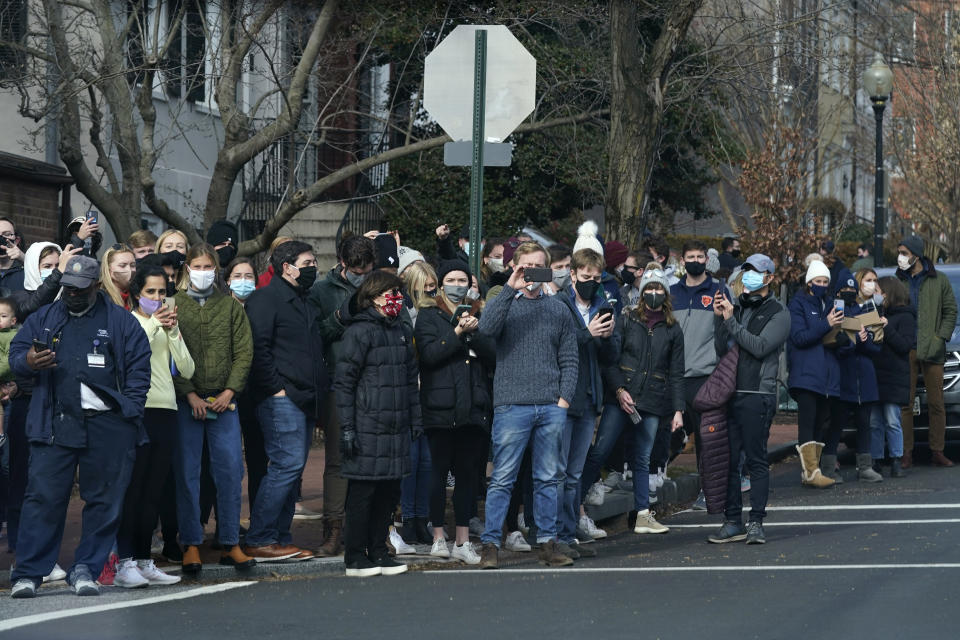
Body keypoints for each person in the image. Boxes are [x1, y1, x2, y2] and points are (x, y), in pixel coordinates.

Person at [8, 255, 151, 598]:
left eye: (80, 289)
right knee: (43, 498)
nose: (72, 294)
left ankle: (86, 568)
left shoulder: (121, 321)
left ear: (97, 287)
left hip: (107, 425)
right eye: (67, 288)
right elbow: (16, 353)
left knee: (104, 500)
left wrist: (127, 414)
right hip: (54, 422)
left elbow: (139, 372)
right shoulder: (44, 317)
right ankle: (29, 573)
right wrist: (27, 362)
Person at [476, 241, 578, 570]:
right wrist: (509, 286)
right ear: (516, 266)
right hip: (511, 405)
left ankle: (548, 544)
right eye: (526, 266)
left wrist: (562, 401)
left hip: (550, 406)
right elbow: (487, 329)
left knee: (548, 479)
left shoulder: (559, 308)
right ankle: (490, 544)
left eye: (538, 266)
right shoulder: (506, 302)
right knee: (503, 478)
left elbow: (569, 358)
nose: (531, 272)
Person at [172, 244, 256, 572]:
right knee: (188, 474)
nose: (203, 272)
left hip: (225, 404)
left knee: (230, 472)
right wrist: (190, 395)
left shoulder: (231, 307)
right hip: (187, 404)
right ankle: (191, 543)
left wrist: (230, 390)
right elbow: (169, 355)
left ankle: (229, 542)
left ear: (216, 270)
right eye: (197, 266)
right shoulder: (174, 304)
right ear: (187, 269)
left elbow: (244, 352)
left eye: (209, 266)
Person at [242, 241, 327, 560]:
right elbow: (258, 348)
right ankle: (261, 537)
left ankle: (279, 536)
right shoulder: (266, 299)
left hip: (303, 397)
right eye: (307, 262)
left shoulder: (303, 300)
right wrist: (276, 389)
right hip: (281, 398)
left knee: (291, 469)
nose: (313, 267)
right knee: (285, 466)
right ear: (286, 266)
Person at [335, 270, 422, 577]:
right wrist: (347, 427)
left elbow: (411, 380)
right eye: (389, 294)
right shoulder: (359, 331)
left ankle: (379, 551)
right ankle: (356, 557)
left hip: (396, 425)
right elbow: (344, 383)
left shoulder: (399, 329)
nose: (395, 300)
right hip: (366, 424)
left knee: (388, 494)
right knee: (363, 494)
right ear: (371, 298)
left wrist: (415, 420)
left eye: (398, 294)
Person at [585, 263, 683, 536]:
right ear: (641, 291)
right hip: (621, 397)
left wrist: (678, 410)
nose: (653, 292)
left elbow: (676, 372)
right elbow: (611, 360)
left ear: (665, 292)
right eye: (649, 287)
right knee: (600, 452)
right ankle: (575, 508)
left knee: (642, 458)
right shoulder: (626, 319)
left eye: (658, 288)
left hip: (653, 400)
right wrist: (618, 390)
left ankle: (642, 514)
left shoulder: (673, 329)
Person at [114, 265, 195, 588]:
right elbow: (129, 354)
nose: (158, 298)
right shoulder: (129, 322)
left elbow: (187, 369)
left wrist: (173, 333)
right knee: (133, 490)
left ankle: (146, 560)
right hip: (138, 411)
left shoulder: (166, 323)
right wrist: (153, 325)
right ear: (137, 294)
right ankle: (124, 562)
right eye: (151, 292)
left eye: (163, 292)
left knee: (154, 491)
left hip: (166, 410)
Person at [414, 259, 496, 564]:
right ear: (441, 281)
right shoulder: (428, 315)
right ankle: (438, 535)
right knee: (436, 474)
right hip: (440, 407)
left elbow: (494, 355)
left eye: (463, 280)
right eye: (452, 279)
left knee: (466, 476)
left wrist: (474, 333)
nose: (458, 285)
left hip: (473, 407)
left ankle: (463, 539)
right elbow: (430, 355)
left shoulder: (481, 312)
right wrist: (458, 332)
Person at [708, 254, 789, 545]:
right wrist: (721, 320)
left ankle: (756, 521)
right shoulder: (737, 307)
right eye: (746, 272)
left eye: (755, 272)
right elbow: (722, 348)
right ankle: (732, 520)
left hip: (758, 394)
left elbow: (759, 346)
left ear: (768, 278)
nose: (748, 278)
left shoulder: (779, 313)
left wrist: (731, 322)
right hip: (731, 392)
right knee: (729, 460)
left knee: (756, 460)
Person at [307, 234, 376, 556]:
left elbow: (402, 325)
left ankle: (371, 528)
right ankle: (333, 528)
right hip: (339, 381)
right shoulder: (322, 290)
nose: (361, 275)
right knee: (338, 458)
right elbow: (314, 335)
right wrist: (341, 316)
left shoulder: (383, 285)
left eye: (367, 269)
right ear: (342, 263)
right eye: (355, 270)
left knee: (375, 458)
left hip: (377, 382)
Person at [553, 249, 617, 556]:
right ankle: (556, 534)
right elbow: (556, 346)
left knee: (575, 472)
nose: (590, 281)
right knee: (558, 470)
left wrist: (606, 338)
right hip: (564, 397)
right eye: (585, 276)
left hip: (590, 397)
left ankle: (567, 532)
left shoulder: (603, 306)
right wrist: (587, 334)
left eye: (596, 277)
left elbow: (609, 358)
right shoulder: (558, 305)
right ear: (573, 275)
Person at [670, 241, 734, 500]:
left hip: (706, 375)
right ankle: (652, 481)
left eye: (700, 256)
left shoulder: (719, 290)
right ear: (682, 261)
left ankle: (708, 491)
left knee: (708, 440)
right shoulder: (671, 292)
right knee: (668, 433)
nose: (695, 260)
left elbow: (729, 333)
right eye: (690, 256)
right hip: (675, 376)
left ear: (707, 260)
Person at [895, 235, 958, 468]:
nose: (900, 257)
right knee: (905, 404)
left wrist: (940, 336)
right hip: (905, 349)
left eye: (904, 252)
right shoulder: (898, 280)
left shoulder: (938, 280)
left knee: (936, 403)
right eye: (899, 253)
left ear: (916, 254)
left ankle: (937, 451)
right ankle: (906, 453)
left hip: (933, 350)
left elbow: (950, 311)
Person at [786, 260, 842, 488]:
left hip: (826, 376)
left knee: (822, 422)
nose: (821, 285)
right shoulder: (797, 304)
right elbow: (799, 337)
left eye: (825, 281)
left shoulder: (829, 303)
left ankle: (812, 469)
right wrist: (826, 324)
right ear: (809, 282)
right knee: (808, 422)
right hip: (806, 373)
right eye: (817, 281)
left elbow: (835, 338)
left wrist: (845, 333)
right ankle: (810, 471)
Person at [395, 262, 437, 546]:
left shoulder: (436, 313)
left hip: (432, 392)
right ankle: (408, 518)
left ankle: (422, 517)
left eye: (434, 287)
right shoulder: (403, 315)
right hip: (409, 392)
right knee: (411, 459)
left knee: (428, 462)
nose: (431, 292)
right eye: (425, 288)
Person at [829, 276, 883, 483]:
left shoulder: (866, 312)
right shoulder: (835, 312)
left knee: (864, 424)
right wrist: (853, 341)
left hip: (865, 378)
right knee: (837, 424)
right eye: (843, 287)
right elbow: (836, 347)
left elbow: (876, 347)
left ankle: (865, 467)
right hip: (844, 378)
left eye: (851, 287)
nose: (848, 291)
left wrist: (863, 340)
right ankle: (829, 466)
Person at [871, 276, 914, 478]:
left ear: (887, 293)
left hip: (894, 376)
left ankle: (896, 458)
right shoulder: (876, 312)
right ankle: (876, 459)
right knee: (875, 421)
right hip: (877, 374)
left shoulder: (905, 317)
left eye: (878, 290)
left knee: (892, 420)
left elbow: (904, 346)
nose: (875, 294)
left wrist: (887, 327)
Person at [100, 244, 137, 310]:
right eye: (122, 265)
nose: (129, 270)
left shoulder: (138, 295)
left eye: (132, 265)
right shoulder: (101, 299)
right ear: (109, 269)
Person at [0, 217, 25, 293]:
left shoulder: (26, 272)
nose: (1, 238)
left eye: (7, 234)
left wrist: (24, 259)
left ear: (16, 241)